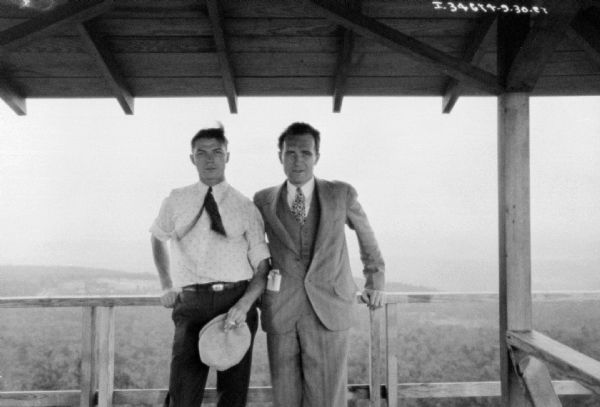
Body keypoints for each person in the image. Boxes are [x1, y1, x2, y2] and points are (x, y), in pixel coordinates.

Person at [253, 122, 385, 407]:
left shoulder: (341, 194)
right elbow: (252, 249)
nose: (298, 160)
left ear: (317, 157)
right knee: (286, 399)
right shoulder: (263, 200)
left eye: (306, 153)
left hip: (329, 308)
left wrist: (375, 282)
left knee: (327, 399)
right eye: (290, 153)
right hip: (281, 311)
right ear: (280, 156)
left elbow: (366, 236)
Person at [150, 123, 270, 407]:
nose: (210, 159)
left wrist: (244, 305)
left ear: (228, 156)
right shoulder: (176, 200)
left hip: (235, 303)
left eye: (217, 152)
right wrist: (166, 284)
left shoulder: (246, 207)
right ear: (192, 159)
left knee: (233, 394)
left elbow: (262, 268)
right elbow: (157, 237)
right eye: (201, 153)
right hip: (191, 304)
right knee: (183, 393)